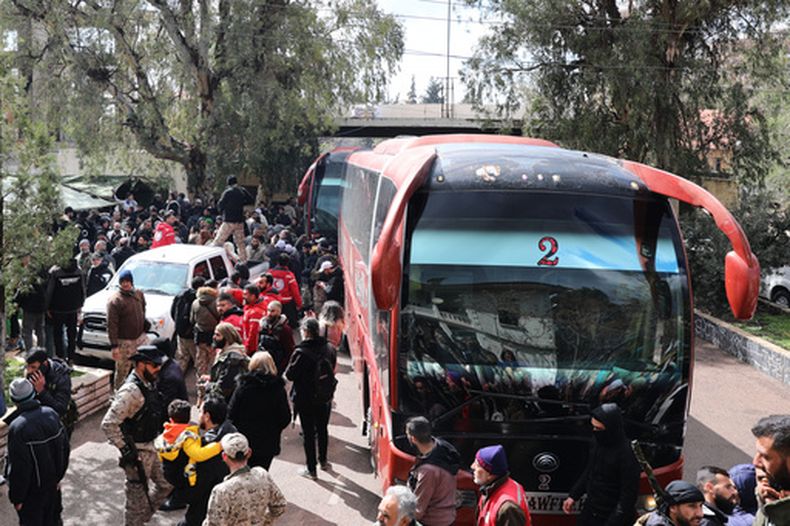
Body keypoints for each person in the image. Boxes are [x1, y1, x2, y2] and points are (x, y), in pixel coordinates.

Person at [100, 346, 172, 526]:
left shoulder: (148, 382)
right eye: (154, 365)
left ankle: (142, 519)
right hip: (138, 454)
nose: (158, 369)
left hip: (151, 447)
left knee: (166, 484)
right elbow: (109, 423)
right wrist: (126, 450)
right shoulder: (131, 391)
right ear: (140, 364)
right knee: (135, 505)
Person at [5, 378, 70, 526]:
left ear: (14, 400)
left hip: (32, 498)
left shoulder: (18, 427)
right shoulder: (51, 414)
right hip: (53, 489)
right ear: (33, 393)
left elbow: (19, 468)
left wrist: (17, 498)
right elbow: (65, 449)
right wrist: (58, 478)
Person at [562, 403, 640, 526]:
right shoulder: (597, 443)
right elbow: (590, 470)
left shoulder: (627, 454)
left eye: (598, 429)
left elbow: (627, 498)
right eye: (593, 427)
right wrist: (574, 495)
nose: (595, 432)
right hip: (591, 509)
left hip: (612, 515)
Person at [285, 317, 337, 480]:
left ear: (305, 331)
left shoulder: (301, 352)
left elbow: (290, 375)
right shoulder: (329, 347)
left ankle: (311, 469)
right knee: (322, 429)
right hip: (324, 396)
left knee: (308, 434)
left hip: (305, 398)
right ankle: (323, 461)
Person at [203, 432, 287, 526]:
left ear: (224, 456)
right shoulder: (262, 475)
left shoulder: (221, 491)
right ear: (249, 453)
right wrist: (264, 522)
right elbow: (280, 506)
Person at [154, 399, 222, 512]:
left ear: (171, 419)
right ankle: (177, 502)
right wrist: (218, 446)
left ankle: (171, 495)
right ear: (189, 418)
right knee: (183, 488)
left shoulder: (165, 433)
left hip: (167, 470)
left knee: (175, 484)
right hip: (183, 473)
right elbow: (198, 454)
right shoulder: (188, 436)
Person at [228, 351, 291, 470]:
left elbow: (231, 413)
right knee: (261, 475)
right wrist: (274, 429)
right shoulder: (278, 389)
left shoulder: (243, 387)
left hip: (244, 441)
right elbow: (285, 417)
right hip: (268, 443)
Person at [183, 396, 237, 526]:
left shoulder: (207, 447)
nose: (199, 415)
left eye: (200, 411)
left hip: (206, 502)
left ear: (207, 416)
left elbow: (201, 482)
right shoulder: (231, 433)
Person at [405, 416, 460, 526]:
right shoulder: (441, 446)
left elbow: (419, 508)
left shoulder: (428, 472)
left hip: (433, 521)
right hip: (447, 517)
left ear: (413, 439)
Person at [107, 269, 148, 390]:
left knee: (142, 368)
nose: (125, 284)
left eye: (128, 281)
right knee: (122, 371)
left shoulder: (138, 294)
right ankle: (117, 394)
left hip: (140, 339)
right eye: (122, 281)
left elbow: (143, 309)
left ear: (132, 282)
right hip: (124, 342)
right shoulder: (115, 301)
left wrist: (143, 326)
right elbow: (112, 325)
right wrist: (114, 346)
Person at [471, 444, 531, 526]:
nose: (472, 467)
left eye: (477, 465)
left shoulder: (508, 507)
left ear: (490, 475)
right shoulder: (490, 488)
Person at [24, 348, 75, 435]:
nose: (29, 370)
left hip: (59, 425)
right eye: (28, 366)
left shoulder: (61, 376)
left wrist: (42, 391)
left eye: (33, 367)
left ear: (44, 364)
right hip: (38, 424)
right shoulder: (32, 374)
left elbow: (60, 409)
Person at [45, 257, 86, 363]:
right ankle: (71, 358)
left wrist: (47, 307)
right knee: (72, 334)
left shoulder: (55, 271)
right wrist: (80, 305)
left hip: (57, 308)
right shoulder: (78, 271)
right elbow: (83, 289)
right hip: (73, 308)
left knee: (58, 334)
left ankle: (60, 357)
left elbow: (50, 290)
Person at [751, 414, 790, 526]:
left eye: (765, 456)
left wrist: (781, 508)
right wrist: (766, 505)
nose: (756, 462)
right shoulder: (771, 495)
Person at [213, 176, 254, 263]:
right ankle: (243, 262)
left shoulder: (227, 192)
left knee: (218, 241)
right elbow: (251, 200)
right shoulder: (242, 190)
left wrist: (223, 212)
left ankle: (212, 258)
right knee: (240, 244)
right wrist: (241, 203)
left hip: (229, 220)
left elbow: (220, 205)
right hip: (239, 221)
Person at [205, 322, 249, 402]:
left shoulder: (233, 359)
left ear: (227, 338)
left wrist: (208, 385)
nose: (214, 337)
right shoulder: (223, 353)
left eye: (218, 335)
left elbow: (224, 387)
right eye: (214, 334)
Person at [172, 276, 205, 380]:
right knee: (198, 361)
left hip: (180, 333)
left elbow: (173, 312)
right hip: (191, 335)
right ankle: (200, 386)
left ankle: (175, 382)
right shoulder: (198, 300)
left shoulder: (180, 295)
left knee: (182, 359)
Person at [191, 283, 220, 395]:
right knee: (213, 365)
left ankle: (200, 392)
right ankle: (211, 390)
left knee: (201, 366)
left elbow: (192, 320)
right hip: (213, 337)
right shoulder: (215, 303)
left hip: (200, 338)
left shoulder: (195, 303)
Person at [258, 300, 295, 374]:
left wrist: (281, 368)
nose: (269, 313)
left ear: (279, 312)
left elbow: (289, 350)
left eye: (272, 311)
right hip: (263, 364)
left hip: (277, 365)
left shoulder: (285, 329)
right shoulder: (262, 326)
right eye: (268, 310)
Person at [269, 253, 303, 328]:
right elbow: (295, 292)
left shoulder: (270, 273)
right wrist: (299, 304)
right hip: (287, 304)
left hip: (273, 301)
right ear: (287, 263)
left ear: (277, 262)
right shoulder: (289, 275)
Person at [241, 284, 269, 355]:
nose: (243, 297)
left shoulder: (255, 313)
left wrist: (248, 348)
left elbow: (253, 334)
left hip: (253, 349)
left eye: (245, 294)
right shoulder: (251, 307)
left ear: (253, 296)